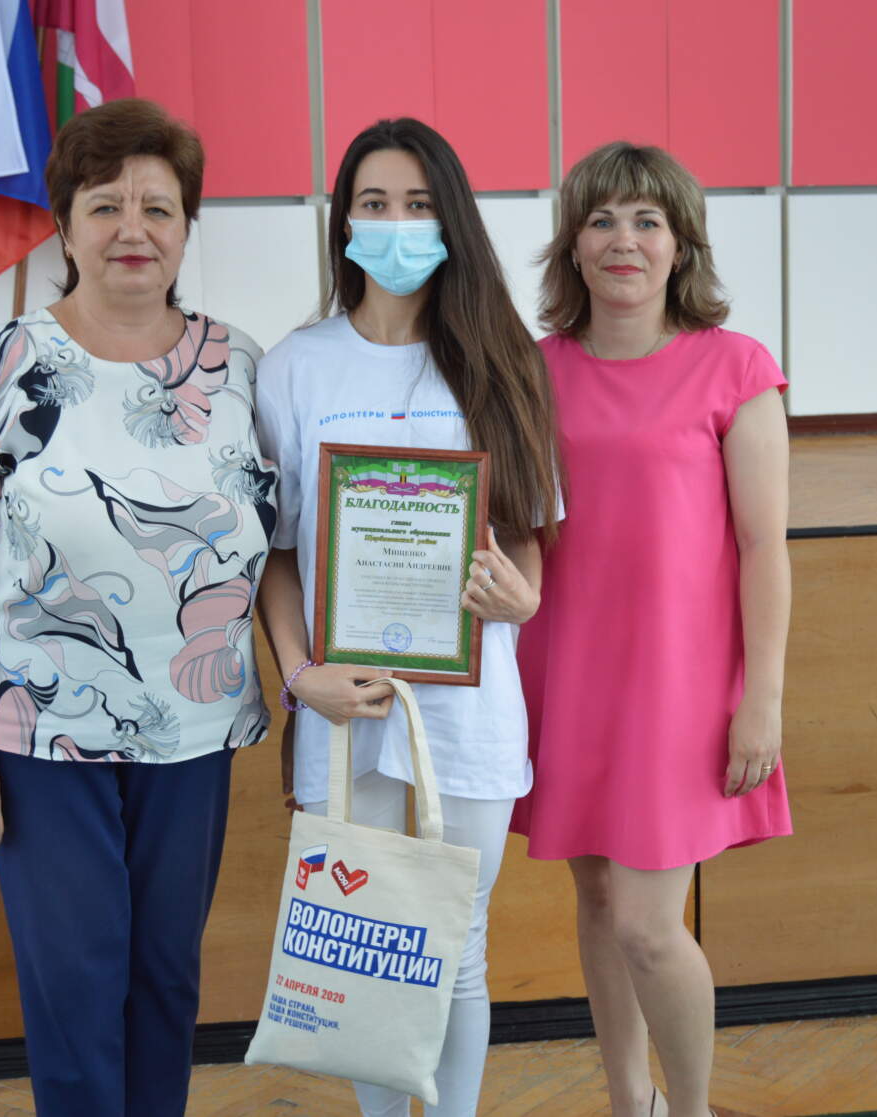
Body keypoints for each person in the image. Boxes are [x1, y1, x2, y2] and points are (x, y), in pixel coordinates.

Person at [0, 99, 276, 1117]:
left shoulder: (239, 366)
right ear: (64, 226)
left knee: (164, 981)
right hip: (42, 737)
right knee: (75, 988)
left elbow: (279, 545)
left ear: (187, 227)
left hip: (195, 733)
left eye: (158, 208)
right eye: (105, 205)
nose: (133, 230)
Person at [253, 117, 561, 1117]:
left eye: (419, 205)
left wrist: (524, 596)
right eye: (375, 203)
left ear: (452, 220)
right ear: (344, 222)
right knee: (363, 955)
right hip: (344, 711)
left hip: (465, 712)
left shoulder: (504, 360)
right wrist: (300, 675)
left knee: (458, 948)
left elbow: (527, 535)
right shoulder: (296, 366)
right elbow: (278, 553)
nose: (396, 223)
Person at [511, 141, 793, 1117]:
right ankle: (632, 1102)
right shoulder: (535, 369)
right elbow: (516, 521)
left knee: (645, 923)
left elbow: (763, 547)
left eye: (646, 221)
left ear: (681, 245)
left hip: (679, 685)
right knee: (595, 900)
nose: (622, 240)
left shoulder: (735, 366)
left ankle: (693, 1107)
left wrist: (763, 700)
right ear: (573, 245)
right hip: (566, 672)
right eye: (601, 220)